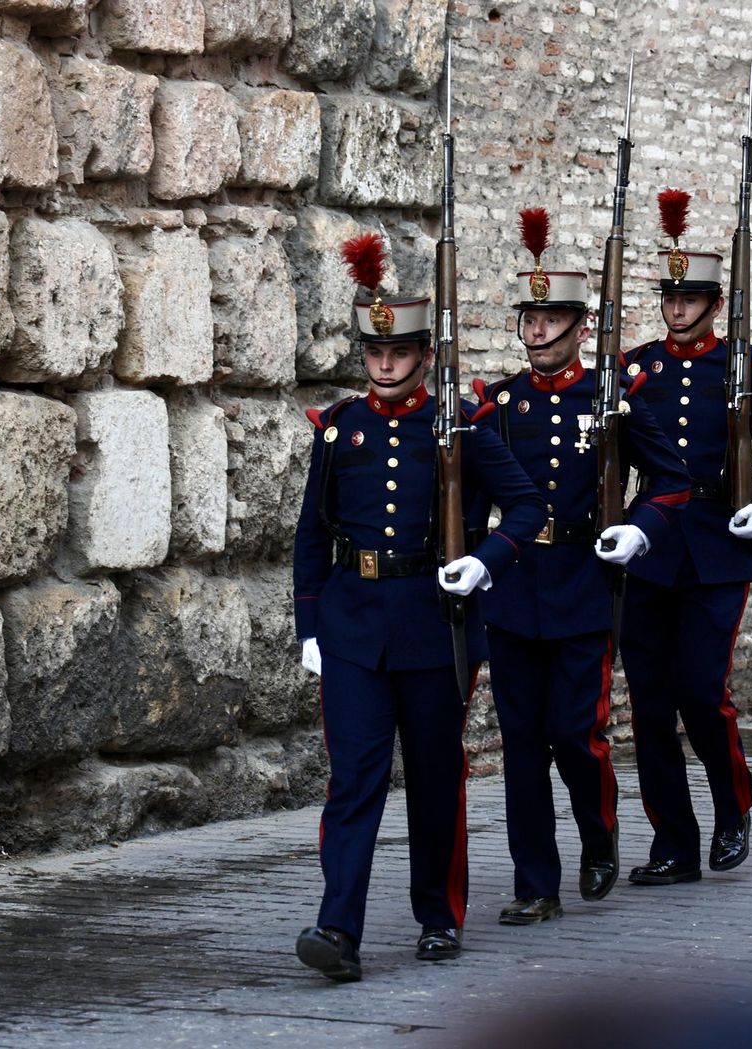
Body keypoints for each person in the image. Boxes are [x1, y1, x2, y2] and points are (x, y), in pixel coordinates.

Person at [291, 232, 547, 982]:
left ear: (423, 358)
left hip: (436, 630)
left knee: (435, 776)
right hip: (353, 628)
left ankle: (438, 914)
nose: (386, 365)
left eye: (399, 355)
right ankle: (338, 926)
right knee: (354, 778)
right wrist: (310, 625)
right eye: (375, 355)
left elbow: (526, 508)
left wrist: (484, 562)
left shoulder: (461, 426)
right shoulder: (340, 428)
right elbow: (313, 533)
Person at [472, 208, 691, 925]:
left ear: (579, 325)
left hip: (582, 584)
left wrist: (638, 529)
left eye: (550, 319)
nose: (536, 332)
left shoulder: (612, 398)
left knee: (577, 734)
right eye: (529, 320)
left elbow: (673, 480)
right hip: (512, 587)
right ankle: (536, 880)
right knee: (521, 746)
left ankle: (599, 834)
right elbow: (470, 499)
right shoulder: (498, 407)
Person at [618, 189, 752, 885]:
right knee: (648, 701)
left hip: (716, 544)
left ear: (712, 302)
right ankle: (672, 840)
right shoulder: (635, 367)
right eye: (669, 299)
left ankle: (733, 808)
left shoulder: (743, 366)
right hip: (649, 548)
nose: (676, 310)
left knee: (701, 691)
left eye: (690, 299)